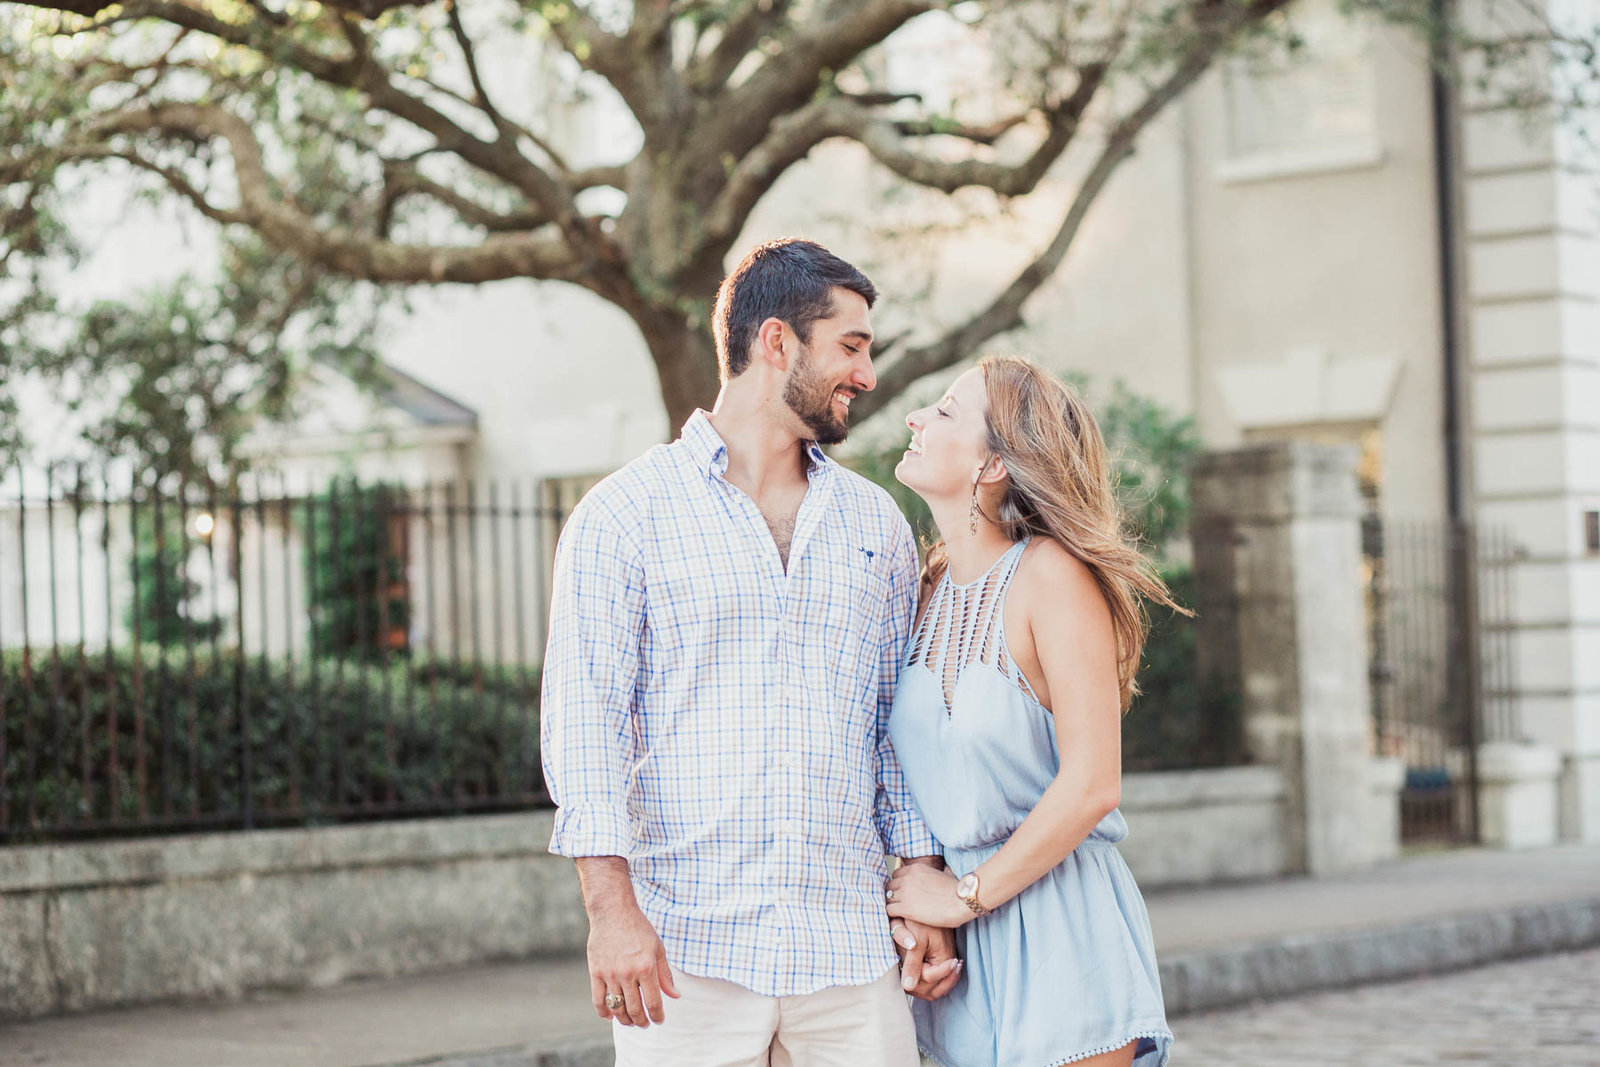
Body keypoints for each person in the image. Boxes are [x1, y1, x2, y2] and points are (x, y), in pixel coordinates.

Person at [540, 237, 961, 1066]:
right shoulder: (623, 515)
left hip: (849, 951)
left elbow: (894, 726)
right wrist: (610, 911)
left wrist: (920, 887)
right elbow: (584, 725)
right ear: (776, 342)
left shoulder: (875, 524)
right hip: (687, 954)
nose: (867, 375)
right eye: (850, 345)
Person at [883, 356, 1177, 1067]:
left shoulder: (1052, 574)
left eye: (945, 411)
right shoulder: (921, 590)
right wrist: (924, 894)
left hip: (1061, 930)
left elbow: (1092, 784)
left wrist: (962, 897)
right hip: (959, 957)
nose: (915, 419)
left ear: (992, 465)